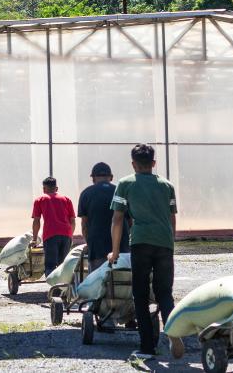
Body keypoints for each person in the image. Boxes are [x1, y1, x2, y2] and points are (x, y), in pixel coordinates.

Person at [108, 144, 177, 361]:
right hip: (165, 243)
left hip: (140, 242)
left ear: (133, 164)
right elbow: (172, 218)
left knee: (140, 295)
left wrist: (115, 251)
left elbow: (118, 219)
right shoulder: (167, 185)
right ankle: (173, 331)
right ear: (154, 163)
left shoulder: (126, 183)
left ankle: (147, 347)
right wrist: (170, 243)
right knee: (165, 293)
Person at [77, 161, 129, 271]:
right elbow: (130, 222)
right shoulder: (120, 192)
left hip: (97, 249)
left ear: (93, 178)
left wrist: (89, 243)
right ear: (111, 177)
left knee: (98, 284)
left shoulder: (86, 194)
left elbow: (84, 224)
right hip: (121, 249)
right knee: (121, 283)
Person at [31, 176, 75, 276]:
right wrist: (70, 236)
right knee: (64, 265)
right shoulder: (66, 199)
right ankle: (64, 288)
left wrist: (34, 239)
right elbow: (72, 221)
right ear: (56, 188)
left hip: (50, 235)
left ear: (43, 189)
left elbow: (36, 221)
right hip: (66, 234)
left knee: (50, 265)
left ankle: (53, 289)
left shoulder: (40, 200)